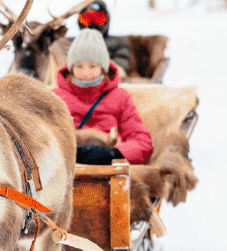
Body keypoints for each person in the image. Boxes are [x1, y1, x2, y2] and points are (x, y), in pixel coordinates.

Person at [53, 28, 153, 167]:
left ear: (103, 67)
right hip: (65, 166)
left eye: (92, 66)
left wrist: (114, 154)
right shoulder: (55, 98)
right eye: (79, 66)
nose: (86, 72)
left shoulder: (120, 97)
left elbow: (142, 142)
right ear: (70, 68)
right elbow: (40, 137)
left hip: (110, 169)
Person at [78, 0, 131, 76]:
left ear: (107, 19)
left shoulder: (119, 42)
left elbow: (121, 70)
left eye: (98, 19)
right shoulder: (71, 43)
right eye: (87, 19)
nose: (92, 23)